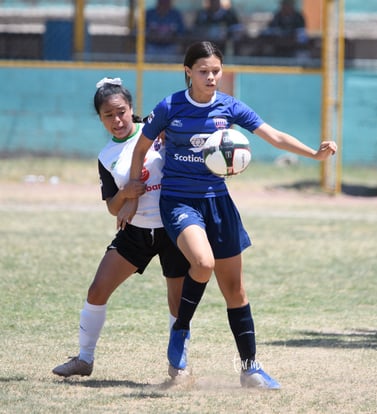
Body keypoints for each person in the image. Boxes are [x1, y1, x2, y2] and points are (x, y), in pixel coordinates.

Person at [118, 41, 337, 389]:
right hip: (179, 203)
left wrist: (313, 153)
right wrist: (131, 190)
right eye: (203, 71)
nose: (211, 77)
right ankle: (181, 329)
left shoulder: (229, 106)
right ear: (188, 71)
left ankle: (250, 368)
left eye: (216, 71)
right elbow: (142, 146)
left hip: (218, 203)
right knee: (202, 264)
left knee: (235, 290)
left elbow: (273, 135)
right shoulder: (170, 106)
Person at [52, 77, 189, 378]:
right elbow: (112, 207)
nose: (117, 120)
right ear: (100, 119)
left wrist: (170, 135)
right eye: (108, 115)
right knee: (97, 290)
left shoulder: (155, 132)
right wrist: (126, 194)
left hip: (172, 229)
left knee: (177, 301)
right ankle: (84, 359)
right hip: (136, 232)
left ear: (131, 109)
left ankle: (178, 367)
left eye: (121, 112)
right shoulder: (106, 157)